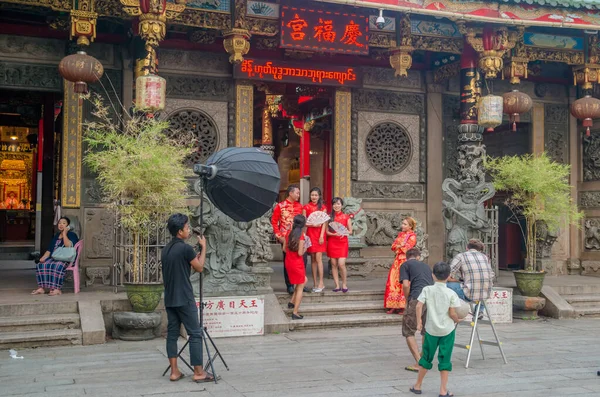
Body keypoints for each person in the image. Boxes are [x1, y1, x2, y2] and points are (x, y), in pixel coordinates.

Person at [162, 213, 215, 383]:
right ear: (179, 231)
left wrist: (196, 254)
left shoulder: (166, 249)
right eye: (186, 227)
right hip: (184, 297)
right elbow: (199, 268)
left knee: (172, 334)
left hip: (170, 298)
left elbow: (186, 267)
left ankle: (174, 371)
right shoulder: (185, 248)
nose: (189, 230)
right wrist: (204, 247)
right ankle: (199, 372)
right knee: (195, 333)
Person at [411, 261, 461, 397]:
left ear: (433, 275)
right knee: (445, 359)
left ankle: (417, 386)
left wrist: (419, 322)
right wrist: (458, 320)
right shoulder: (451, 293)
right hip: (447, 331)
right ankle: (443, 390)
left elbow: (418, 306)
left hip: (431, 329)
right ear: (448, 276)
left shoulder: (427, 290)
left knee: (426, 357)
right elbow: (452, 313)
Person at [400, 248, 434, 373]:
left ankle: (420, 363)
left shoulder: (405, 265)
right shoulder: (426, 266)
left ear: (407, 257)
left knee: (408, 331)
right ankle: (423, 359)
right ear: (419, 257)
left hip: (416, 298)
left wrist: (407, 298)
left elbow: (405, 284)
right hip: (430, 299)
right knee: (426, 330)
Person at [31, 216, 79, 296]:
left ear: (68, 225)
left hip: (66, 259)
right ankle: (41, 288)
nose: (61, 225)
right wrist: (43, 257)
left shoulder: (72, 235)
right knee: (41, 265)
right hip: (54, 258)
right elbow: (49, 249)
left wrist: (64, 233)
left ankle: (57, 289)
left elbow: (68, 246)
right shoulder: (56, 236)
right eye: (59, 223)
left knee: (57, 266)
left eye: (64, 223)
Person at [448, 238, 495, 317]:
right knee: (483, 286)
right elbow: (491, 275)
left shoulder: (461, 256)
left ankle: (450, 311)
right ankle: (479, 310)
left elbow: (448, 274)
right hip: (486, 294)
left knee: (445, 285)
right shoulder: (485, 257)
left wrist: (456, 280)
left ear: (467, 247)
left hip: (469, 294)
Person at [271, 185, 303, 295]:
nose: (298, 195)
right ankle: (289, 285)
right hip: (285, 238)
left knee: (300, 261)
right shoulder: (280, 206)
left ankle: (299, 283)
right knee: (288, 262)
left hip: (298, 237)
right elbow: (274, 222)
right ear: (290, 193)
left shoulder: (300, 207)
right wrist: (278, 235)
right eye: (297, 193)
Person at [384, 217, 418, 314]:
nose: (402, 225)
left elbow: (407, 249)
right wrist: (400, 246)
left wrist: (399, 246)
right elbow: (393, 246)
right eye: (402, 223)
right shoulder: (401, 234)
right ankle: (393, 304)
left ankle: (403, 305)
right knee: (393, 282)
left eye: (405, 224)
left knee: (403, 283)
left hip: (405, 261)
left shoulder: (412, 236)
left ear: (410, 226)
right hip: (397, 261)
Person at [303, 187, 327, 293]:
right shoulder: (306, 207)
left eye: (316, 195)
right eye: (312, 195)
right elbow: (304, 222)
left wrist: (322, 236)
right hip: (310, 234)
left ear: (319, 196)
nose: (314, 197)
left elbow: (324, 223)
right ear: (310, 196)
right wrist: (312, 224)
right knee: (312, 259)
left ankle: (321, 283)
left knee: (318, 259)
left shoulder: (323, 208)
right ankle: (315, 283)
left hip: (320, 235)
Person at [284, 215, 308, 319]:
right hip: (297, 263)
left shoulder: (288, 233)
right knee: (301, 287)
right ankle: (295, 312)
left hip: (289, 262)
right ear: (303, 224)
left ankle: (291, 302)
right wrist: (305, 249)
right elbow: (299, 253)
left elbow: (284, 249)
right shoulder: (301, 235)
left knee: (304, 281)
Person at [326, 197, 352, 293]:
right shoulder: (329, 217)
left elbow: (350, 231)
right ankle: (337, 285)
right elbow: (326, 231)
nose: (336, 206)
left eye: (338, 204)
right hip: (333, 241)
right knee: (333, 264)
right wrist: (334, 234)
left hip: (342, 242)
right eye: (334, 204)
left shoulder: (346, 217)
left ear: (341, 205)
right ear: (332, 205)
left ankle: (344, 283)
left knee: (341, 264)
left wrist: (343, 232)